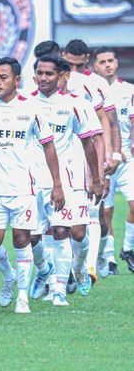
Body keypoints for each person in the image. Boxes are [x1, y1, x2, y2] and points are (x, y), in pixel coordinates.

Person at [0, 57, 64, 314]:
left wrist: (57, 184)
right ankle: (8, 276)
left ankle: (22, 297)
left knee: (22, 238)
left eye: (3, 77)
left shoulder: (33, 109)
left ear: (17, 80)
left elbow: (49, 146)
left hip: (23, 188)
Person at [28, 55, 103, 307]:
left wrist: (96, 178)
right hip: (33, 179)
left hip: (70, 179)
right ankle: (44, 270)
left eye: (49, 74)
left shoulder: (76, 103)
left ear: (61, 75)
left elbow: (88, 143)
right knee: (33, 236)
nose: (43, 78)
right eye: (40, 73)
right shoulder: (25, 102)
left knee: (73, 233)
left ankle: (72, 276)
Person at [62, 39, 122, 281]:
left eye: (79, 65)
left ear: (87, 59)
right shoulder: (54, 80)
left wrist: (110, 155)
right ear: (62, 56)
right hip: (63, 154)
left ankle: (91, 266)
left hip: (91, 153)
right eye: (69, 65)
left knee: (96, 210)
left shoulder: (95, 84)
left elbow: (109, 121)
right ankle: (68, 269)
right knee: (64, 216)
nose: (73, 71)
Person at [91, 47, 134, 274]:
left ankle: (127, 247)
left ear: (116, 63)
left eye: (110, 60)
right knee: (104, 212)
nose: (107, 64)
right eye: (102, 61)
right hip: (103, 161)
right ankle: (109, 259)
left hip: (126, 158)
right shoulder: (90, 89)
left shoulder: (129, 90)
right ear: (95, 66)